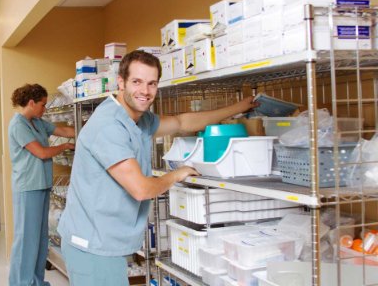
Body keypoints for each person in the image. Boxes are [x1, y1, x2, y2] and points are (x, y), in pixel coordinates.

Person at [58, 51, 258, 285]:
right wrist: (177, 174)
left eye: (152, 83)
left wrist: (238, 107)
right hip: (92, 246)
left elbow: (183, 123)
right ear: (120, 82)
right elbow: (141, 189)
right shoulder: (109, 126)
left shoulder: (138, 118)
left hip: (105, 240)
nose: (145, 91)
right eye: (137, 82)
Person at [8, 83, 75, 286]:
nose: (45, 109)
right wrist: (65, 147)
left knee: (39, 238)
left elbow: (63, 130)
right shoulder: (18, 125)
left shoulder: (37, 122)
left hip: (42, 185)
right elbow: (42, 153)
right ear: (31, 103)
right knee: (26, 239)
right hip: (28, 187)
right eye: (43, 104)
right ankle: (21, 282)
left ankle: (35, 281)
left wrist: (88, 127)